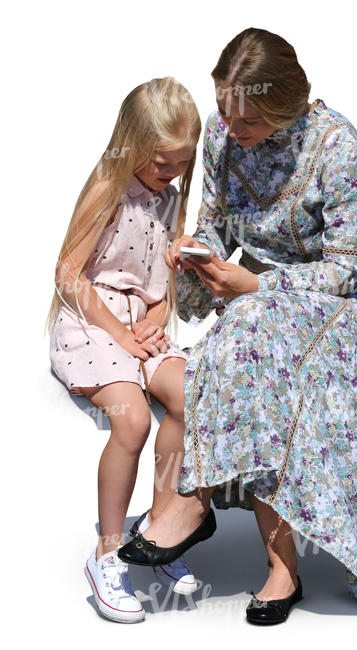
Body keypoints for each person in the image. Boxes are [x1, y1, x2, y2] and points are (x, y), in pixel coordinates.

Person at [118, 28, 357, 624]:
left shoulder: (336, 147)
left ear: (283, 105)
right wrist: (196, 253)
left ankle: (206, 511)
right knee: (244, 344)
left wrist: (257, 286)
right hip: (254, 302)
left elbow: (345, 269)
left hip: (338, 307)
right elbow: (216, 223)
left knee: (250, 334)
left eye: (245, 120)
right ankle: (227, 526)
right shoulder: (226, 132)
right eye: (223, 114)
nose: (229, 130)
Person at [45, 77, 203, 623]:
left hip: (139, 322)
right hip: (93, 321)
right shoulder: (107, 190)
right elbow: (69, 273)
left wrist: (158, 319)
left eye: (181, 164)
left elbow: (163, 282)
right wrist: (121, 332)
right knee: (132, 420)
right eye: (161, 163)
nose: (171, 175)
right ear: (131, 144)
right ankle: (108, 551)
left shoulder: (172, 198)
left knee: (191, 397)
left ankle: (159, 531)